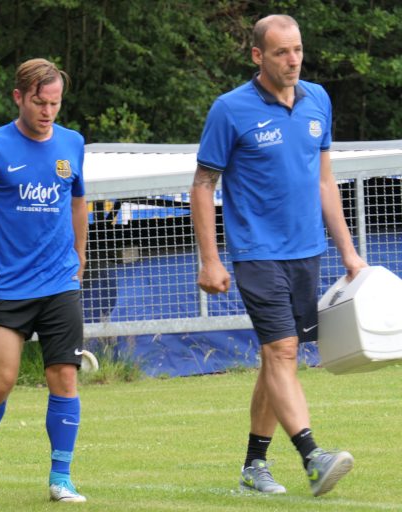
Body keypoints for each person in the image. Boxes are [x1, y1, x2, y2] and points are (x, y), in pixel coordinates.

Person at [190, 14, 367, 497]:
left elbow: (325, 181)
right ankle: (314, 456)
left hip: (307, 252)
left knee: (280, 357)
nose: (293, 61)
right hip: (256, 251)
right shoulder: (230, 110)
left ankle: (254, 465)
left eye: (298, 50)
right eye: (281, 52)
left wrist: (349, 253)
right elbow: (203, 186)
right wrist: (210, 259)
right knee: (281, 350)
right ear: (257, 56)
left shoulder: (319, 100)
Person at [0, 58, 89, 503]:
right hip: (7, 285)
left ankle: (61, 477)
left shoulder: (73, 143)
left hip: (59, 283)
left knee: (64, 378)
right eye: (39, 102)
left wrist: (80, 255)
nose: (48, 111)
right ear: (19, 97)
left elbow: (78, 204)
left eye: (55, 103)